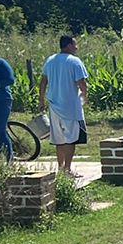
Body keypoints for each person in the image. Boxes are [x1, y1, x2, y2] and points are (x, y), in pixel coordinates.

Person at [39, 35, 89, 178]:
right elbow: (82, 83)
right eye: (75, 44)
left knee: (58, 139)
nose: (76, 47)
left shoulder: (50, 60)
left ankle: (60, 168)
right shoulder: (74, 61)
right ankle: (67, 169)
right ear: (68, 46)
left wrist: (41, 100)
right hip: (70, 107)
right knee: (71, 138)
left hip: (54, 106)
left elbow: (43, 82)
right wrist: (85, 97)